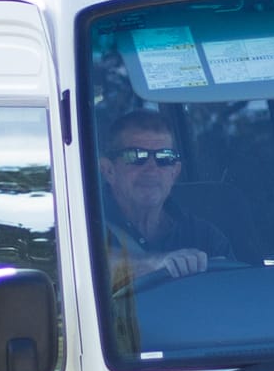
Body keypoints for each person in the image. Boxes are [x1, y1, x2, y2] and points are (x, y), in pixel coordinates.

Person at [97, 109, 231, 320]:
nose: (152, 169)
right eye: (136, 156)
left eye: (164, 158)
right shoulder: (83, 224)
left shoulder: (205, 237)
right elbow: (83, 268)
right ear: (108, 170)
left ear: (174, 172)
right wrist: (155, 264)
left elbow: (232, 302)